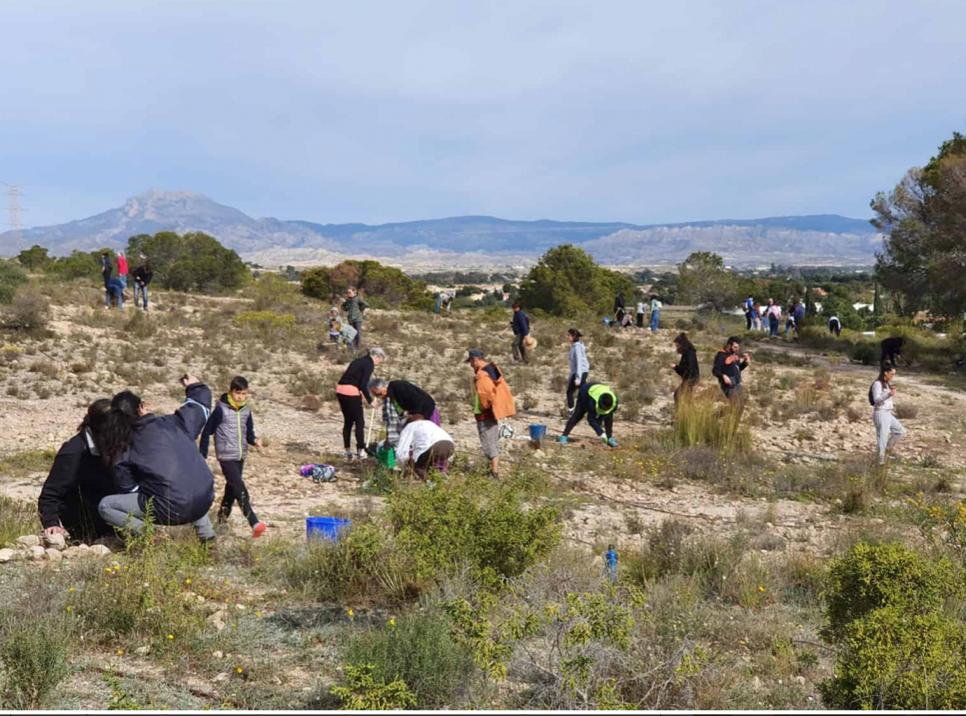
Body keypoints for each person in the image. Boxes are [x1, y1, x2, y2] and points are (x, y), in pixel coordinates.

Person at [96, 375, 216, 543]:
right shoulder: (175, 422)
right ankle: (208, 538)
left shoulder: (123, 446)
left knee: (106, 505)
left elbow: (128, 488)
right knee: (185, 481)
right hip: (206, 498)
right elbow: (201, 406)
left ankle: (151, 537)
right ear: (142, 407)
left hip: (173, 508)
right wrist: (194, 385)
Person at [37, 399, 115, 543]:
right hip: (86, 520)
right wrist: (51, 523)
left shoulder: (111, 444)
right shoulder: (73, 453)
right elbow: (50, 494)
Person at [199, 376, 267, 539]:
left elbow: (249, 433)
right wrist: (202, 456)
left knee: (232, 489)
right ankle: (254, 522)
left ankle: (221, 521)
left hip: (240, 455)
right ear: (231, 391)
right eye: (238, 393)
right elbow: (207, 431)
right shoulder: (221, 410)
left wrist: (255, 441)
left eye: (244, 394)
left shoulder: (246, 411)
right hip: (226, 456)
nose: (241, 397)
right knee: (239, 487)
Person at [467, 348, 516, 478]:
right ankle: (492, 470)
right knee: (493, 441)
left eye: (471, 361)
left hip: (485, 414)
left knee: (488, 443)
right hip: (493, 412)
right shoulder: (490, 370)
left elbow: (486, 394)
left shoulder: (482, 375)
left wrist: (483, 407)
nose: (470, 365)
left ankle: (494, 473)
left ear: (475, 359)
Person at [336, 347, 386, 460]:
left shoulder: (358, 361)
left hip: (340, 390)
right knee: (359, 422)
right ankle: (361, 451)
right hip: (350, 392)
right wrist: (371, 400)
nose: (379, 363)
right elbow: (363, 384)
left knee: (348, 421)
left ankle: (347, 451)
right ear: (377, 357)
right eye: (380, 360)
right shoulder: (369, 364)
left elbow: (355, 380)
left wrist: (362, 395)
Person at [558, 381, 619, 447]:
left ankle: (610, 438)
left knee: (608, 418)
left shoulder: (614, 402)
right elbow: (590, 419)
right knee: (578, 415)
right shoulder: (592, 401)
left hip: (598, 389)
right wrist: (601, 433)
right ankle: (564, 436)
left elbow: (609, 418)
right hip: (585, 393)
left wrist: (609, 436)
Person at [870, 362, 906, 465]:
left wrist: (890, 393)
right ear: (885, 373)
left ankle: (886, 450)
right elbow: (876, 399)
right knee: (883, 436)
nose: (893, 376)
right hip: (881, 412)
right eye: (892, 374)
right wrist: (889, 394)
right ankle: (880, 459)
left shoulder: (886, 384)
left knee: (901, 431)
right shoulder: (877, 384)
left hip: (888, 413)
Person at [368, 378, 439, 424]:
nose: (380, 396)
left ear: (383, 387)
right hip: (417, 412)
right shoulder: (391, 397)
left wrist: (415, 414)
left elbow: (417, 399)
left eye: (378, 394)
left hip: (427, 410)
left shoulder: (398, 386)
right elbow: (399, 411)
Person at [712, 336, 751, 401]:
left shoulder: (734, 354)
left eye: (738, 347)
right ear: (729, 346)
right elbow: (715, 371)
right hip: (729, 386)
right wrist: (723, 376)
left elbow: (738, 368)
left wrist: (745, 363)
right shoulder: (721, 355)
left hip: (737, 384)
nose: (737, 349)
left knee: (741, 404)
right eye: (735, 347)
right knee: (735, 404)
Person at [670, 332, 699, 405]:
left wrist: (676, 367)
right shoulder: (688, 352)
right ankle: (688, 413)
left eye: (677, 346)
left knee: (677, 395)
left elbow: (688, 369)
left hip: (691, 378)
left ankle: (679, 413)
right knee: (687, 398)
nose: (677, 348)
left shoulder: (689, 353)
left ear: (681, 344)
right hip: (691, 377)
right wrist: (676, 368)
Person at [566, 328, 590, 412]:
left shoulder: (577, 348)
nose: (567, 337)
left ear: (574, 336)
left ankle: (571, 412)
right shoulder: (576, 346)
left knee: (569, 392)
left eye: (569, 335)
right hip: (581, 372)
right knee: (584, 393)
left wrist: (578, 377)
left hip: (580, 372)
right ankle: (591, 409)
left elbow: (579, 363)